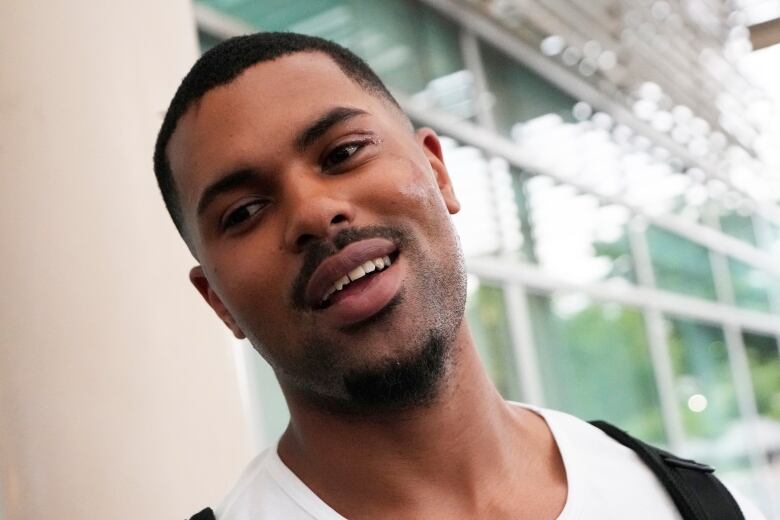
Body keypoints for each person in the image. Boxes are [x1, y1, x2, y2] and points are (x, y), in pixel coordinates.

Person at [154, 32, 766, 520]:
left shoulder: (687, 502)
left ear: (438, 172)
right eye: (244, 213)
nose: (314, 212)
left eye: (343, 153)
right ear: (218, 302)